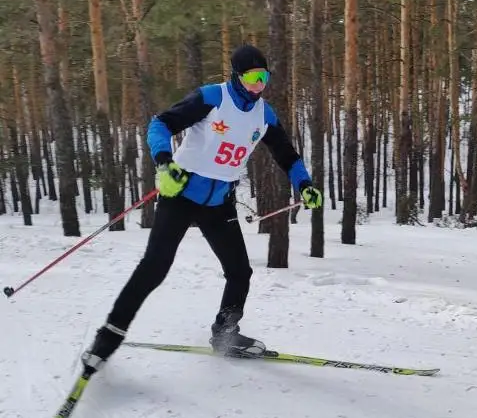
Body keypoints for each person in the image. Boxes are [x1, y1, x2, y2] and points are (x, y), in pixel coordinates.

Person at [81, 44, 323, 372]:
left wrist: (305, 184)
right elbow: (160, 124)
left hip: (219, 201)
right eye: (253, 78)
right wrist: (164, 164)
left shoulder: (264, 114)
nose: (258, 85)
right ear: (237, 76)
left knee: (240, 272)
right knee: (154, 267)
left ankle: (225, 334)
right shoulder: (212, 97)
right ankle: (107, 338)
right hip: (181, 194)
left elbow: (286, 154)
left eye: (264, 78)